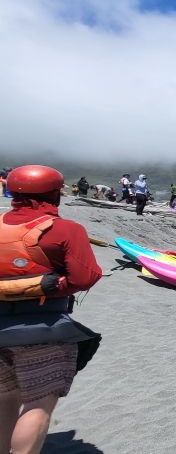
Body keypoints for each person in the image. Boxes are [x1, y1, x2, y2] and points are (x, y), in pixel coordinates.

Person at [0, 165, 103, 454]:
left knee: (5, 397)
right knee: (38, 402)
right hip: (44, 329)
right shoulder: (66, 229)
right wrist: (50, 285)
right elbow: (85, 277)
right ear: (54, 194)